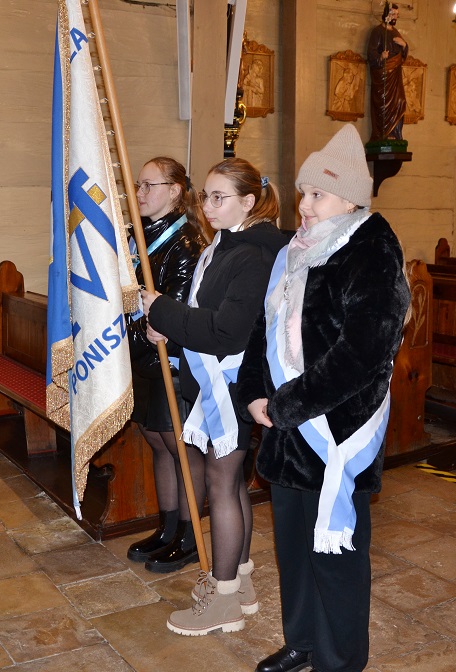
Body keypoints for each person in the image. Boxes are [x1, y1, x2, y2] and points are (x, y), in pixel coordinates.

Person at [236, 124, 411, 672]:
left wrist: (287, 405)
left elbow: (363, 351)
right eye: (303, 193)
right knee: (293, 546)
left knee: (335, 554)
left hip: (335, 430)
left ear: (351, 200)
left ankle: (339, 660)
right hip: (286, 428)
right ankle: (303, 642)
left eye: (318, 194)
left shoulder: (372, 250)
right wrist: (253, 392)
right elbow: (264, 329)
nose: (304, 206)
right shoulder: (297, 250)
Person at [141, 158, 286, 636]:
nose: (207, 205)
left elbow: (227, 330)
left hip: (234, 385)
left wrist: (163, 310)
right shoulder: (226, 244)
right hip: (219, 382)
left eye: (219, 197)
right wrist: (171, 329)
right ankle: (240, 586)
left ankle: (223, 597)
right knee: (232, 485)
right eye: (205, 196)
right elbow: (204, 312)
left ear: (249, 201)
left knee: (223, 485)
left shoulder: (255, 254)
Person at [126, 156, 208, 573]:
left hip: (170, 361)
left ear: (175, 191)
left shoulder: (186, 243)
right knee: (158, 441)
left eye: (148, 185)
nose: (139, 193)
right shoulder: (140, 236)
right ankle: (167, 529)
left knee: (180, 446)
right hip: (143, 357)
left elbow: (170, 317)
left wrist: (127, 338)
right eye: (137, 186)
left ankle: (190, 538)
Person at [367, 2, 408, 141]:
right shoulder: (377, 32)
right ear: (386, 13)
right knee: (384, 104)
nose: (395, 17)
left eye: (397, 14)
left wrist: (404, 45)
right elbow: (371, 54)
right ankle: (383, 135)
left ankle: (396, 135)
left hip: (395, 76)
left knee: (400, 101)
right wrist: (381, 57)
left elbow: (402, 57)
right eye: (393, 13)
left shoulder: (396, 33)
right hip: (383, 77)